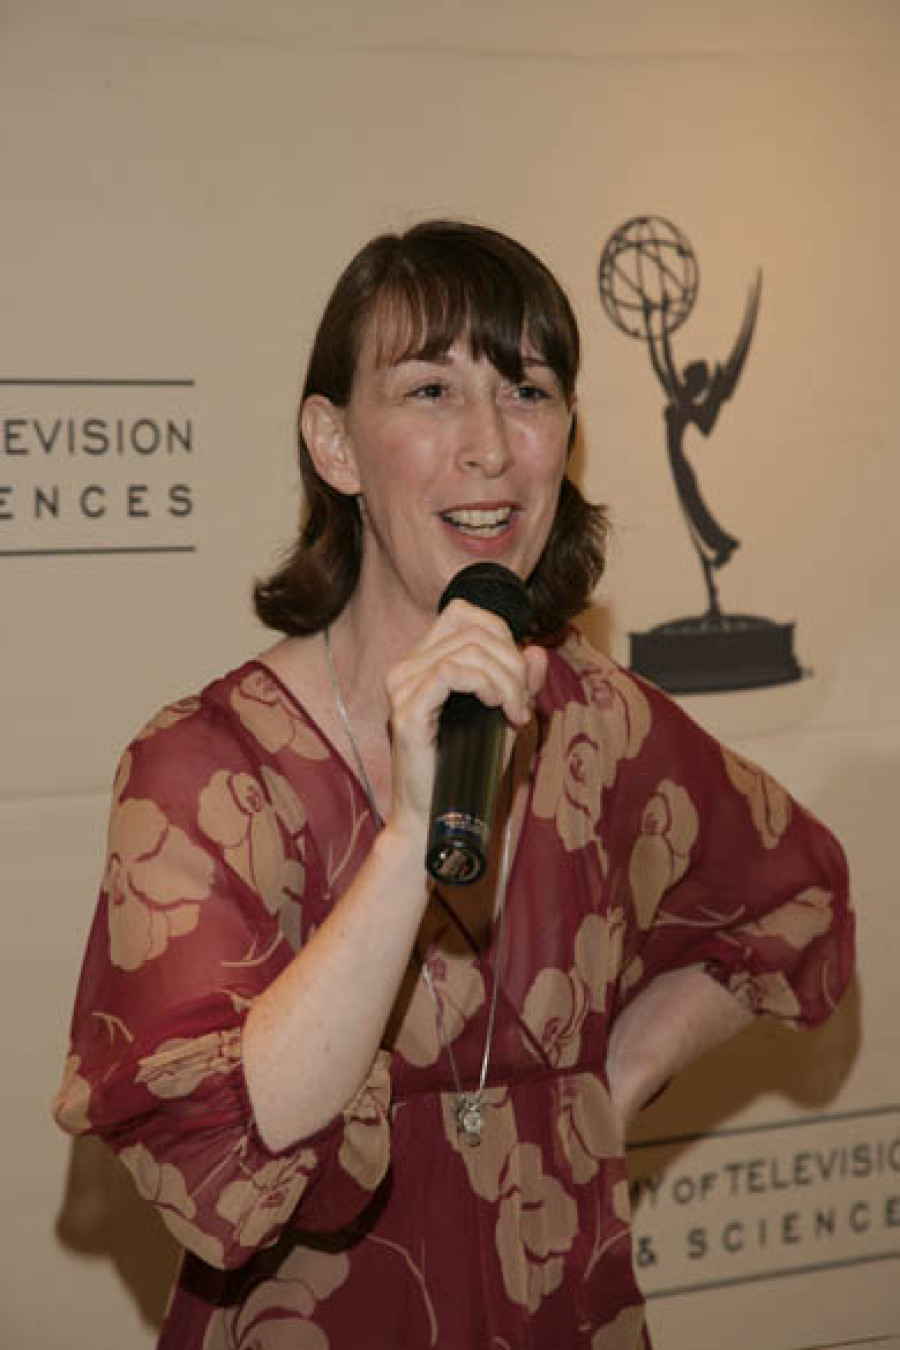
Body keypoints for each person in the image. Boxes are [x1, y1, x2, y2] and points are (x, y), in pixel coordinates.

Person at [53, 220, 853, 1350]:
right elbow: (224, 1162)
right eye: (430, 391)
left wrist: (613, 1078)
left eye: (527, 391)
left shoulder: (599, 720)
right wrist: (411, 836)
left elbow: (799, 896)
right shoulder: (203, 766)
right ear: (335, 445)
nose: (489, 448)